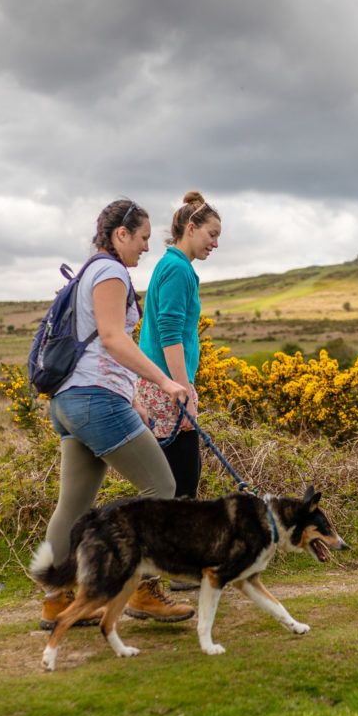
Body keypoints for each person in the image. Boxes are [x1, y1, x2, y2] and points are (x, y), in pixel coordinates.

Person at [37, 198, 196, 629]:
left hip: (69, 402)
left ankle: (56, 600)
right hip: (96, 401)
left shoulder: (90, 269)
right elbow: (110, 338)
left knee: (72, 505)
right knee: (162, 488)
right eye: (142, 238)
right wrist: (164, 382)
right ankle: (141, 593)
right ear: (120, 234)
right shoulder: (110, 271)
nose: (146, 247)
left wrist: (134, 397)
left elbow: (95, 343)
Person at [135, 191, 221, 501]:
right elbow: (169, 335)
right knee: (181, 490)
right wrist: (185, 395)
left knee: (172, 486)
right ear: (192, 227)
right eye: (211, 234)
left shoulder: (174, 266)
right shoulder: (177, 269)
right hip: (168, 389)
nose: (215, 243)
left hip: (164, 385)